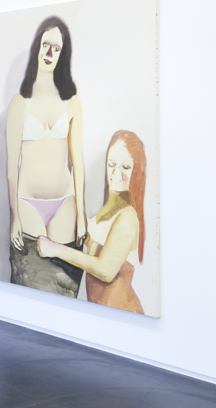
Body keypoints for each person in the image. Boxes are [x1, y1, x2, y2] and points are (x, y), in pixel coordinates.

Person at [5, 16, 87, 298]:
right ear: (37, 47)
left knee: (65, 288)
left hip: (65, 203)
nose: (50, 52)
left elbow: (78, 163)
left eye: (57, 48)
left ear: (63, 54)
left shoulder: (72, 102)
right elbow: (11, 168)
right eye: (46, 45)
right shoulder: (20, 102)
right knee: (33, 282)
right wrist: (14, 218)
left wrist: (82, 216)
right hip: (27, 203)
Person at [38, 131, 146, 314]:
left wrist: (55, 249)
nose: (116, 173)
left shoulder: (128, 217)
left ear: (137, 171)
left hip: (123, 314)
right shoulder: (109, 208)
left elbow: (105, 270)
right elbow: (96, 244)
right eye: (111, 164)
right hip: (104, 313)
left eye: (126, 167)